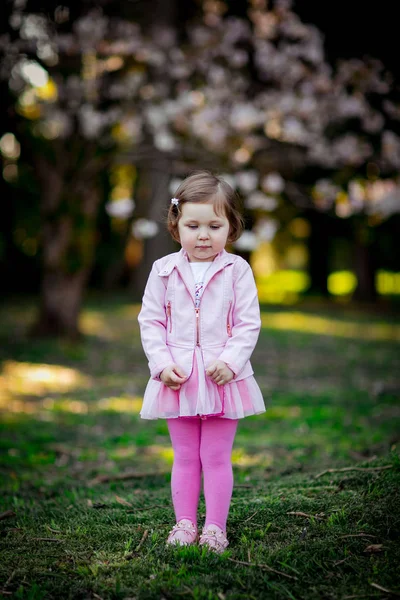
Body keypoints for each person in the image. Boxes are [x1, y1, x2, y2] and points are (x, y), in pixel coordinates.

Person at [138, 170, 266, 553]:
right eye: (193, 225)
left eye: (215, 224)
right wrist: (161, 365)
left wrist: (231, 361)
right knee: (185, 456)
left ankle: (214, 528)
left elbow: (247, 323)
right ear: (177, 227)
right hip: (177, 378)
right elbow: (151, 321)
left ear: (231, 227)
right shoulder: (163, 269)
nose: (204, 235)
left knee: (215, 457)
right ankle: (184, 523)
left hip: (222, 379)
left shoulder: (237, 270)